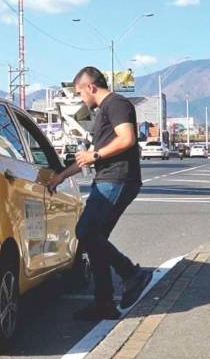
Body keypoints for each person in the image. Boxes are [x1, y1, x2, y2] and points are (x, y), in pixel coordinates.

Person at [46, 66, 153, 320]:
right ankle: (104, 303)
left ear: (91, 87)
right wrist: (61, 175)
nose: (80, 98)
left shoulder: (116, 104)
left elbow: (126, 139)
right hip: (108, 178)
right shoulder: (103, 111)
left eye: (80, 93)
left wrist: (95, 155)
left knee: (85, 231)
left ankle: (132, 275)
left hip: (118, 179)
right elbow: (89, 155)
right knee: (96, 241)